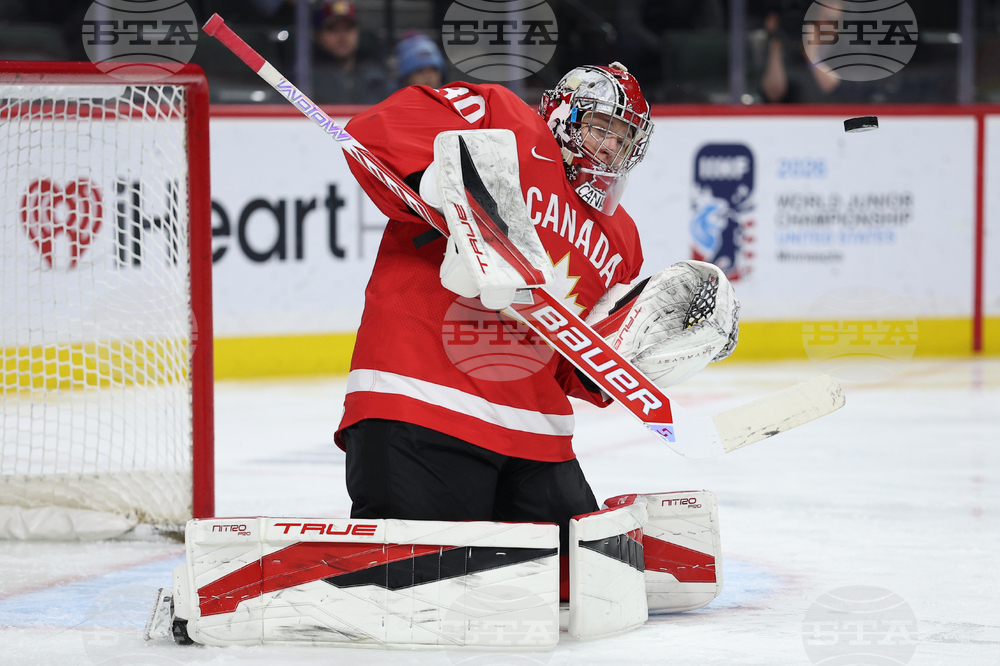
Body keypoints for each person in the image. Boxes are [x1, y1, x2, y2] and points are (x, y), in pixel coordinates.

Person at [334, 64, 733, 599]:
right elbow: (377, 131)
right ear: (565, 115)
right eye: (601, 127)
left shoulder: (621, 236)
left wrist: (640, 348)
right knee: (421, 596)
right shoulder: (498, 116)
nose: (611, 148)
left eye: (624, 138)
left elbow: (576, 372)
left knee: (587, 595)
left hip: (536, 441)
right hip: (424, 404)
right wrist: (447, 192)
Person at [310, 0, 389, 104]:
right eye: (333, 29)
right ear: (317, 35)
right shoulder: (305, 78)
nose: (342, 37)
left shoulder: (377, 77)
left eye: (348, 29)